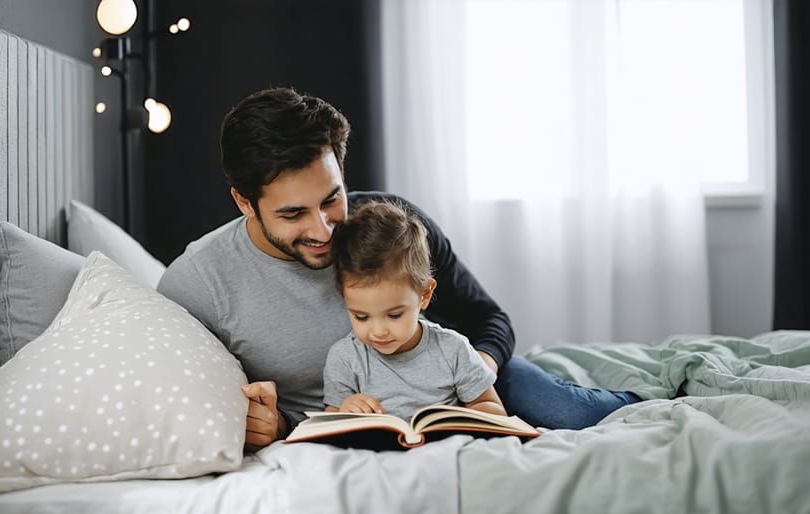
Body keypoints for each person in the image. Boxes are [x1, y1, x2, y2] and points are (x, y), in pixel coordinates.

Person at [157, 86, 640, 450]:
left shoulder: (390, 224)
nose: (324, 230)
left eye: (331, 199)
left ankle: (653, 395)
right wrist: (271, 425)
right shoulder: (197, 284)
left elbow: (488, 320)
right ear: (244, 202)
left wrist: (470, 376)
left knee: (564, 412)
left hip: (461, 386)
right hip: (353, 420)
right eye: (292, 214)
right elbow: (187, 403)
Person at [323, 200, 506, 419]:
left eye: (394, 315)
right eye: (361, 317)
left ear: (425, 294)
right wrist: (346, 408)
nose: (378, 331)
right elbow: (329, 420)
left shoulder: (454, 350)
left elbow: (495, 409)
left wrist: (459, 415)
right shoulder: (343, 358)